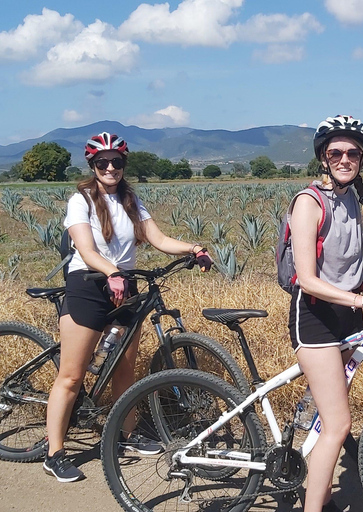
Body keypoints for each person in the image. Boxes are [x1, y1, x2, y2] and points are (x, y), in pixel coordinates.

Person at [43, 132, 212, 482]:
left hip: (125, 286)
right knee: (72, 375)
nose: (110, 167)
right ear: (92, 165)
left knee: (124, 368)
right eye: (102, 162)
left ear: (124, 165)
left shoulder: (131, 200)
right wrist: (112, 272)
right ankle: (54, 452)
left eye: (116, 162)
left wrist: (194, 248)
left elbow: (160, 240)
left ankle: (125, 436)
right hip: (90, 285)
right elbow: (87, 251)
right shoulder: (82, 200)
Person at [289, 115, 363, 512]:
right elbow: (308, 279)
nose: (344, 158)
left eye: (353, 152)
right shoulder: (308, 202)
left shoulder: (354, 199)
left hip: (348, 317)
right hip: (315, 318)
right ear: (323, 157)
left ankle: (317, 492)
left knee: (326, 420)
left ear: (362, 157)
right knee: (338, 424)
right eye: (335, 152)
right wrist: (355, 301)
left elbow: (347, 271)